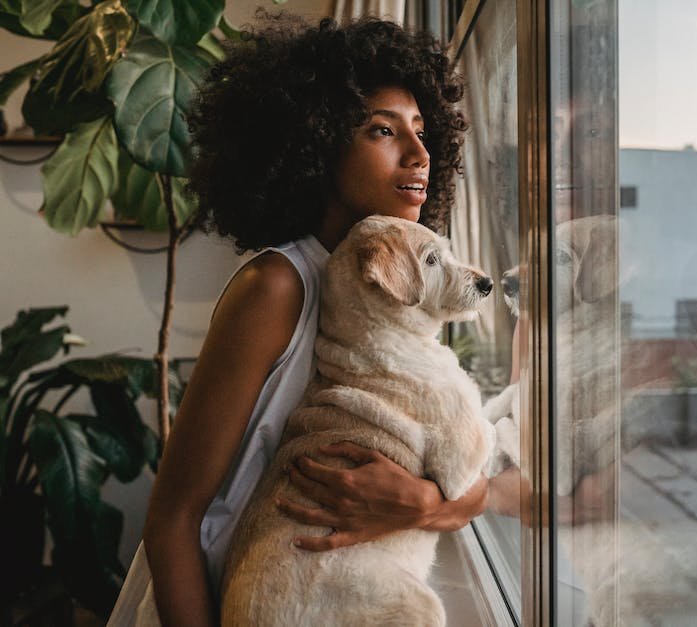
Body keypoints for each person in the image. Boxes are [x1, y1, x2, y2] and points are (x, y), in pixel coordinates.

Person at [107, 14, 487, 626]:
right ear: (316, 143)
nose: (420, 154)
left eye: (422, 131)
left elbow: (469, 481)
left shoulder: (396, 296)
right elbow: (173, 519)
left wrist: (416, 505)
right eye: (382, 131)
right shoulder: (277, 286)